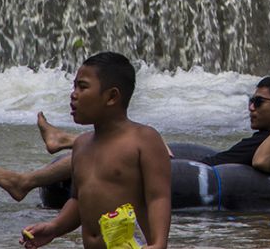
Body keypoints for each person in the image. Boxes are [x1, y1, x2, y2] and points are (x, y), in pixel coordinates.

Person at [0, 76, 270, 204]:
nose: (250, 107)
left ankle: (33, 173)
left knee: (118, 145)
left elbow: (263, 163)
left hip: (189, 172)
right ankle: (61, 145)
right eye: (250, 100)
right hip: (193, 167)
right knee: (123, 140)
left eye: (258, 102)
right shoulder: (267, 136)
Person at [17, 52, 171, 249]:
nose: (73, 94)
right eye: (74, 86)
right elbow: (79, 200)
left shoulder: (144, 139)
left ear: (111, 97)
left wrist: (159, 243)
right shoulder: (81, 145)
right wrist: (54, 227)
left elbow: (159, 197)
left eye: (82, 87)